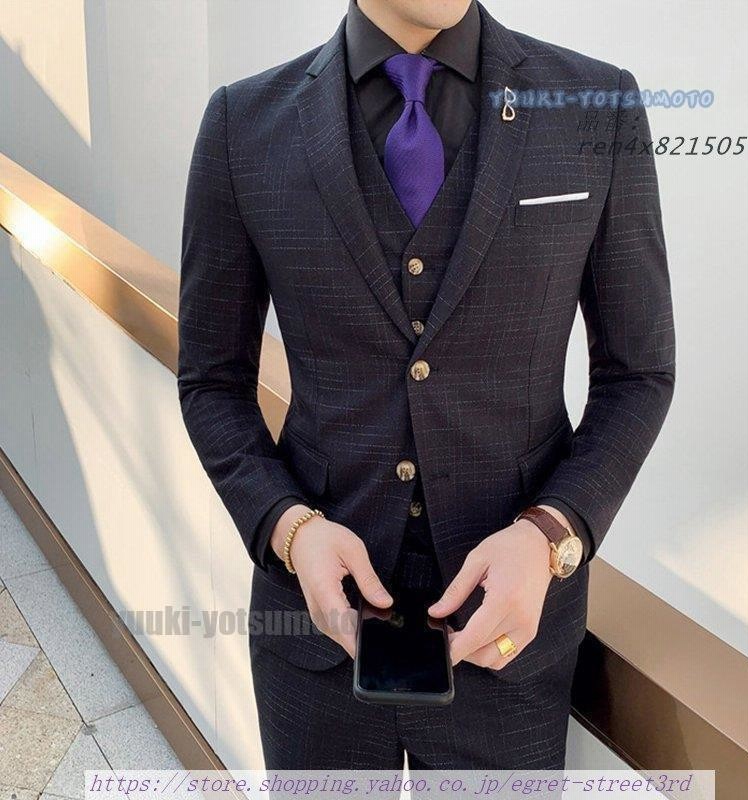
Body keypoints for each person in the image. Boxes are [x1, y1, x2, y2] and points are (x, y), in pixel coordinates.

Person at [178, 0, 675, 770]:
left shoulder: (595, 106)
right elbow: (211, 381)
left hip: (512, 636)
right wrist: (290, 529)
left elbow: (638, 374)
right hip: (314, 633)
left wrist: (551, 535)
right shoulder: (243, 126)